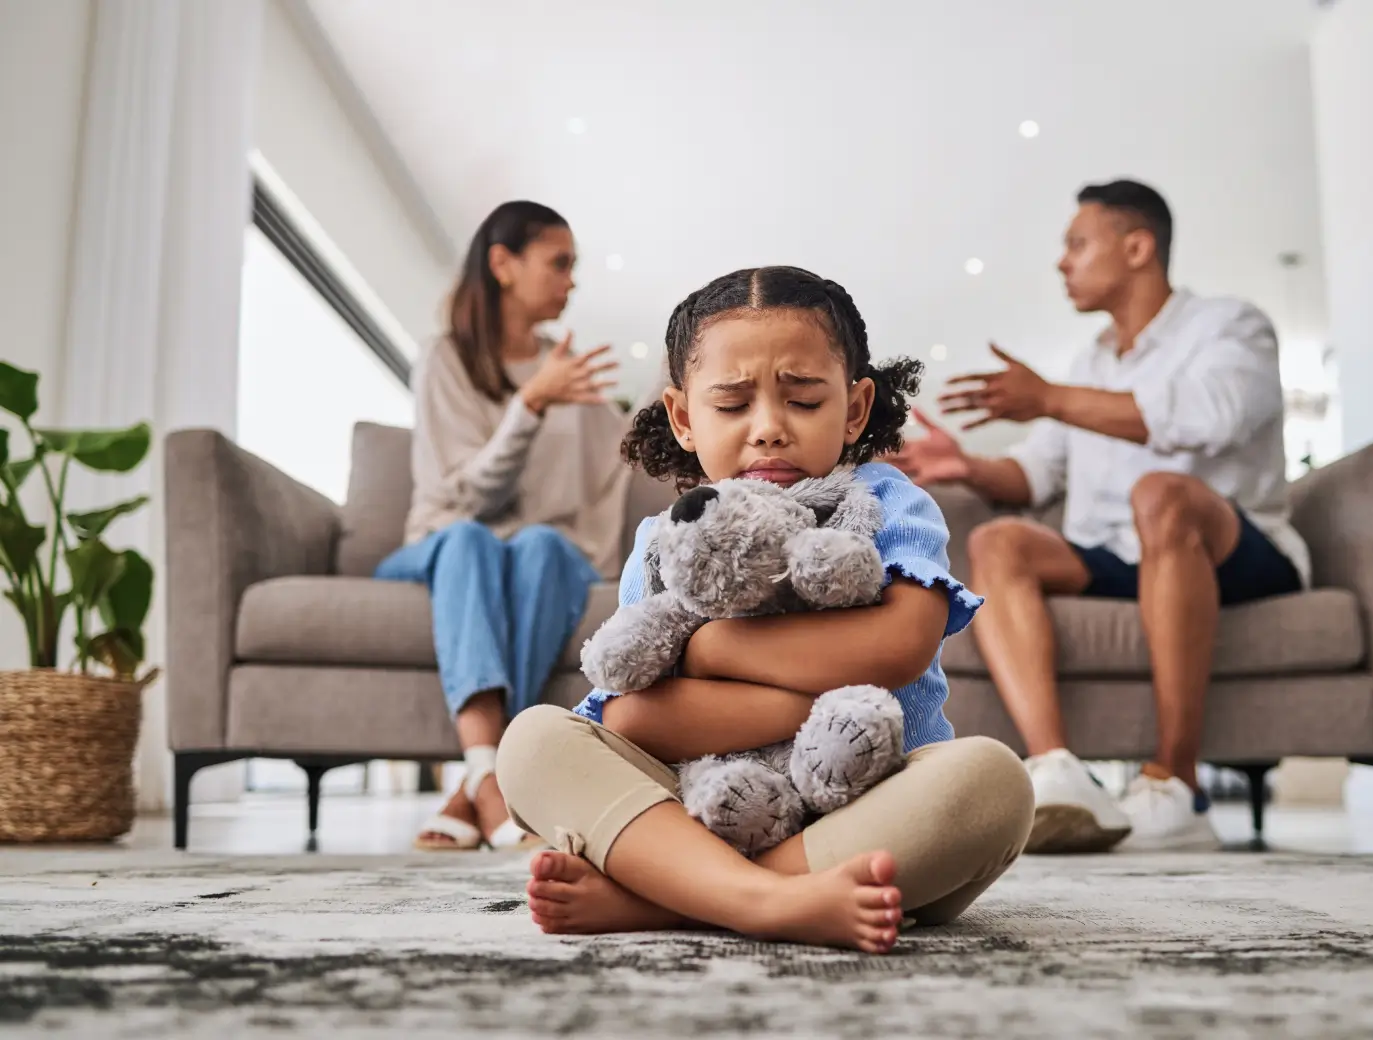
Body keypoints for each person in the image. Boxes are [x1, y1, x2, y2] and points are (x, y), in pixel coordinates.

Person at [495, 266, 1033, 953]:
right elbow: (632, 720)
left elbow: (901, 646)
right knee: (533, 740)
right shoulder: (666, 542)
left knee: (992, 783)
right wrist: (817, 682)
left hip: (869, 806)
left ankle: (677, 896)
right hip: (704, 802)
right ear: (684, 416)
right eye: (732, 405)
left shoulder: (886, 501)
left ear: (856, 408)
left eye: (804, 401)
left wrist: (708, 650)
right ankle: (769, 900)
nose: (769, 430)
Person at [891, 179, 1309, 854]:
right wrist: (965, 465)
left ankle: (1178, 782)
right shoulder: (1090, 363)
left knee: (1159, 494)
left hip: (1236, 554)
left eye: (1078, 244)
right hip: (1121, 556)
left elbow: (1211, 419)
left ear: (1138, 246)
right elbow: (1033, 475)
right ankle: (1058, 770)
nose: (1063, 261)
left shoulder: (1230, 327)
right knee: (1000, 540)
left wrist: (1051, 397)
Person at [376, 200, 650, 851]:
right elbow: (464, 497)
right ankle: (498, 779)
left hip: (535, 552)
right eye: (559, 264)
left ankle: (478, 781)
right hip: (444, 543)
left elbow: (617, 465)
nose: (571, 281)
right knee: (472, 539)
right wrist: (529, 405)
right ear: (502, 264)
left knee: (546, 546)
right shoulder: (446, 359)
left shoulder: (567, 366)